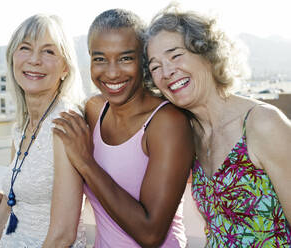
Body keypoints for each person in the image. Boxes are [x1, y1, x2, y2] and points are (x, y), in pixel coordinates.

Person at [145, 4, 291, 247]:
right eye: (155, 67)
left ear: (207, 53)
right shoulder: (189, 135)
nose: (167, 71)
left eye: (175, 55)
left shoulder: (263, 124)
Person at [53, 9, 194, 248]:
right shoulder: (94, 109)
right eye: (100, 59)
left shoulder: (167, 122)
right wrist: (10, 196)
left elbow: (151, 234)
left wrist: (87, 163)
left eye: (125, 58)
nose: (112, 72)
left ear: (144, 60)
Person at [0, 14, 86, 248]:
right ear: (12, 58)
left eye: (48, 52)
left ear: (65, 68)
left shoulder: (65, 124)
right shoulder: (20, 126)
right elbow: (8, 205)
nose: (34, 60)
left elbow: (63, 235)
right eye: (25, 48)